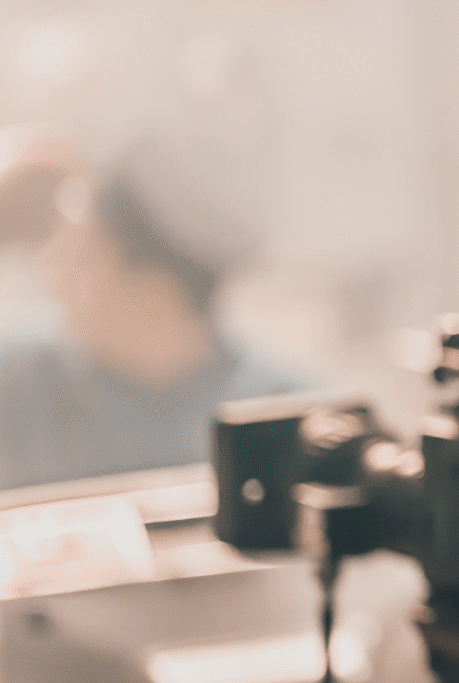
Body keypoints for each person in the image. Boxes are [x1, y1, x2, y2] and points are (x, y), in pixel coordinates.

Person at [0, 138, 301, 491]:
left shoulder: (280, 416)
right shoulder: (18, 379)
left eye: (78, 258)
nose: (52, 272)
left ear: (156, 294)